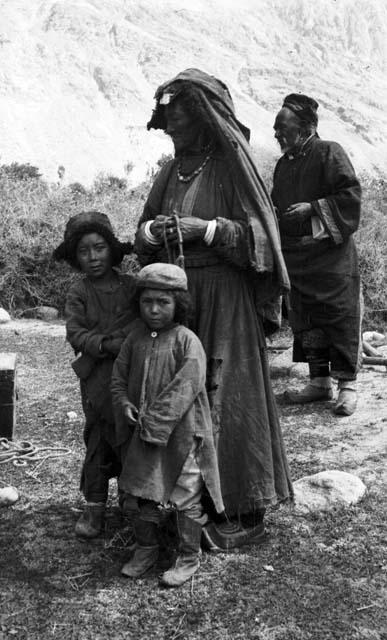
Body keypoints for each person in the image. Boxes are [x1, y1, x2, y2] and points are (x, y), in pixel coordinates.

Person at [134, 68, 293, 548]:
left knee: (227, 394)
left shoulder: (232, 169)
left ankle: (241, 505)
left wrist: (205, 230)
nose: (173, 131)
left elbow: (262, 243)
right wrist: (153, 234)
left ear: (204, 120)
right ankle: (185, 503)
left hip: (225, 298)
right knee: (179, 393)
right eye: (170, 126)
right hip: (181, 300)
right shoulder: (169, 170)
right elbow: (142, 231)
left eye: (180, 123)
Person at [111, 263, 224, 587]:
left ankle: (189, 555)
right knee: (139, 492)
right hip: (142, 436)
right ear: (138, 303)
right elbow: (118, 379)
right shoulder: (135, 339)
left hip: (183, 435)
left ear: (179, 304)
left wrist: (155, 421)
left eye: (163, 302)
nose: (155, 309)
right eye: (147, 302)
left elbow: (186, 386)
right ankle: (146, 548)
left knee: (185, 492)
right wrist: (125, 405)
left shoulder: (187, 341)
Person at [271, 94, 362, 416]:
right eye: (275, 129)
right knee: (306, 319)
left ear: (306, 127)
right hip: (298, 257)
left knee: (338, 317)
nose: (277, 134)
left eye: (283, 128)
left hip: (331, 257)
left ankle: (347, 387)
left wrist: (312, 208)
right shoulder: (283, 165)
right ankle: (319, 382)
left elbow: (350, 196)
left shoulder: (329, 152)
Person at [53, 211, 135, 537]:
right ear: (75, 257)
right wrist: (105, 345)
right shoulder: (79, 292)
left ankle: (134, 505)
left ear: (112, 249)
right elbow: (75, 333)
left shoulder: (132, 286)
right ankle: (95, 509)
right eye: (84, 251)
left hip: (129, 374)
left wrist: (125, 345)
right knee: (99, 437)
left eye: (99, 248)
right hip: (96, 376)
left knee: (130, 435)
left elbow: (144, 323)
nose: (93, 257)